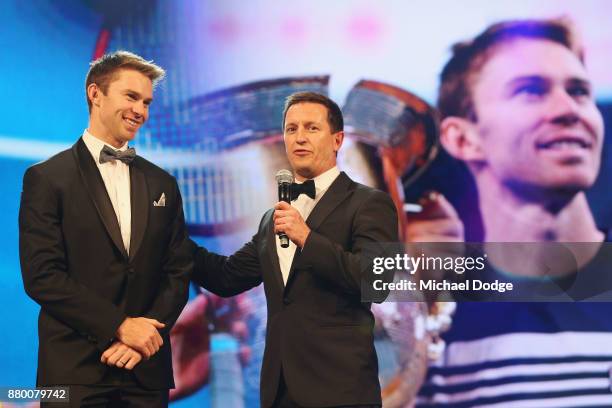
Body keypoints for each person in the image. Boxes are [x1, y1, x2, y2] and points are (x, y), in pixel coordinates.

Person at [410, 19, 612, 406]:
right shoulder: (420, 308)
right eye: (531, 91)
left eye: (580, 92)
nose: (569, 109)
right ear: (462, 138)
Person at [191, 91, 398, 407]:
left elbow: (376, 283)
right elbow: (226, 277)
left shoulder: (369, 204)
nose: (299, 137)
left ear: (337, 140)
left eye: (312, 128)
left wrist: (306, 238)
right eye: (291, 129)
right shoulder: (272, 219)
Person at [19, 51, 192, 407]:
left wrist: (142, 336)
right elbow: (43, 276)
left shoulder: (163, 183)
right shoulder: (47, 179)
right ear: (95, 94)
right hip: (74, 375)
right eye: (131, 97)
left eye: (146, 102)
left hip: (145, 373)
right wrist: (119, 326)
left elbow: (177, 272)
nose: (140, 111)